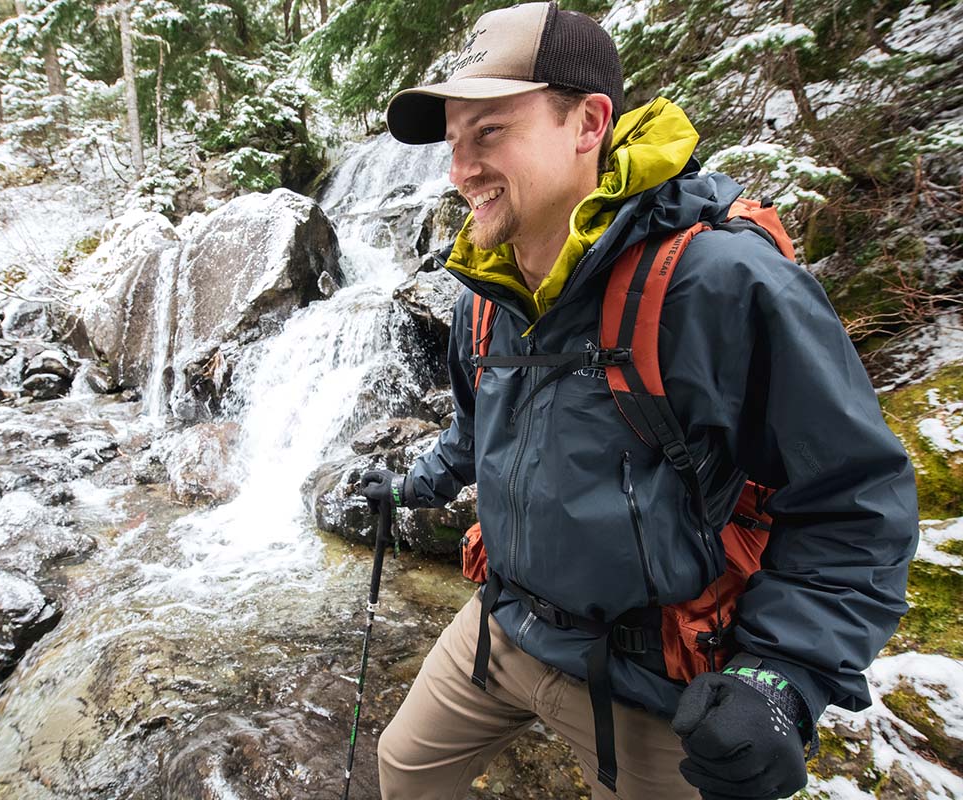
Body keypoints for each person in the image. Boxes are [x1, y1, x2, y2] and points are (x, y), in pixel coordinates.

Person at [358, 3, 919, 799]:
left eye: (489, 134)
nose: (461, 172)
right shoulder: (483, 297)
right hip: (502, 626)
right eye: (455, 144)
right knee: (402, 768)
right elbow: (477, 427)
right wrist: (413, 486)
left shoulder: (717, 284)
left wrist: (781, 677)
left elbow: (857, 504)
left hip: (655, 679)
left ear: (587, 123)